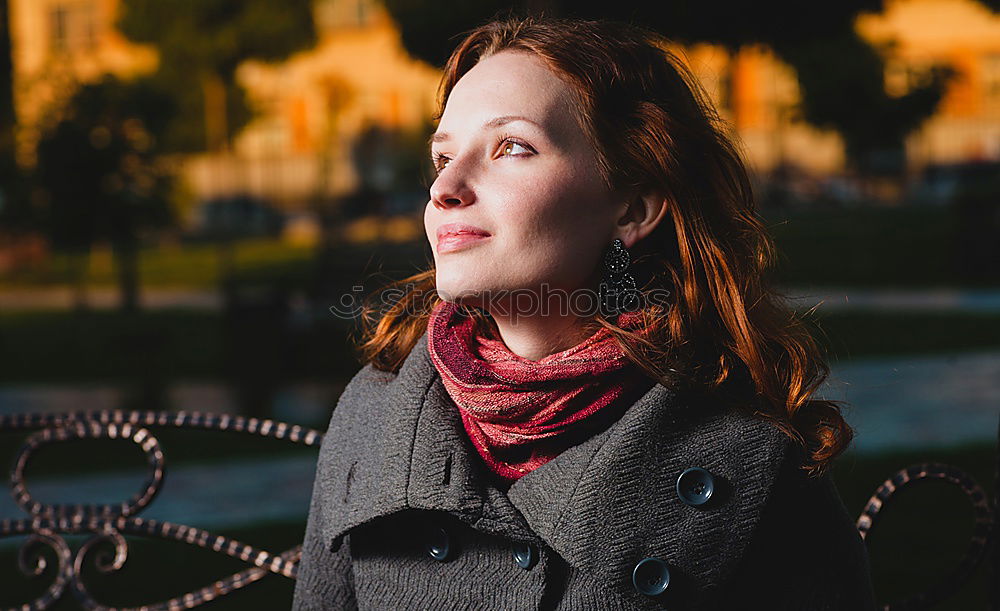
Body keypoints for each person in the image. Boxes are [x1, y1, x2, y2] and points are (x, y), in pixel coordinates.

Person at [293, 16, 876, 611]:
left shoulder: (745, 450)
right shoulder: (374, 409)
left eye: (511, 147)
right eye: (443, 156)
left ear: (632, 208)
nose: (447, 188)